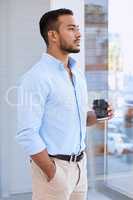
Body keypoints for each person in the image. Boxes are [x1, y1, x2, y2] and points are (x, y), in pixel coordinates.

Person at [16, 8, 113, 200]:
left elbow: (77, 119)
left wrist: (98, 115)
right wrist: (53, 172)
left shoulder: (76, 73)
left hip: (80, 167)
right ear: (52, 35)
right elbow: (27, 133)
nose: (78, 34)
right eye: (71, 29)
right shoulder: (36, 77)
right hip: (54, 171)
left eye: (78, 28)